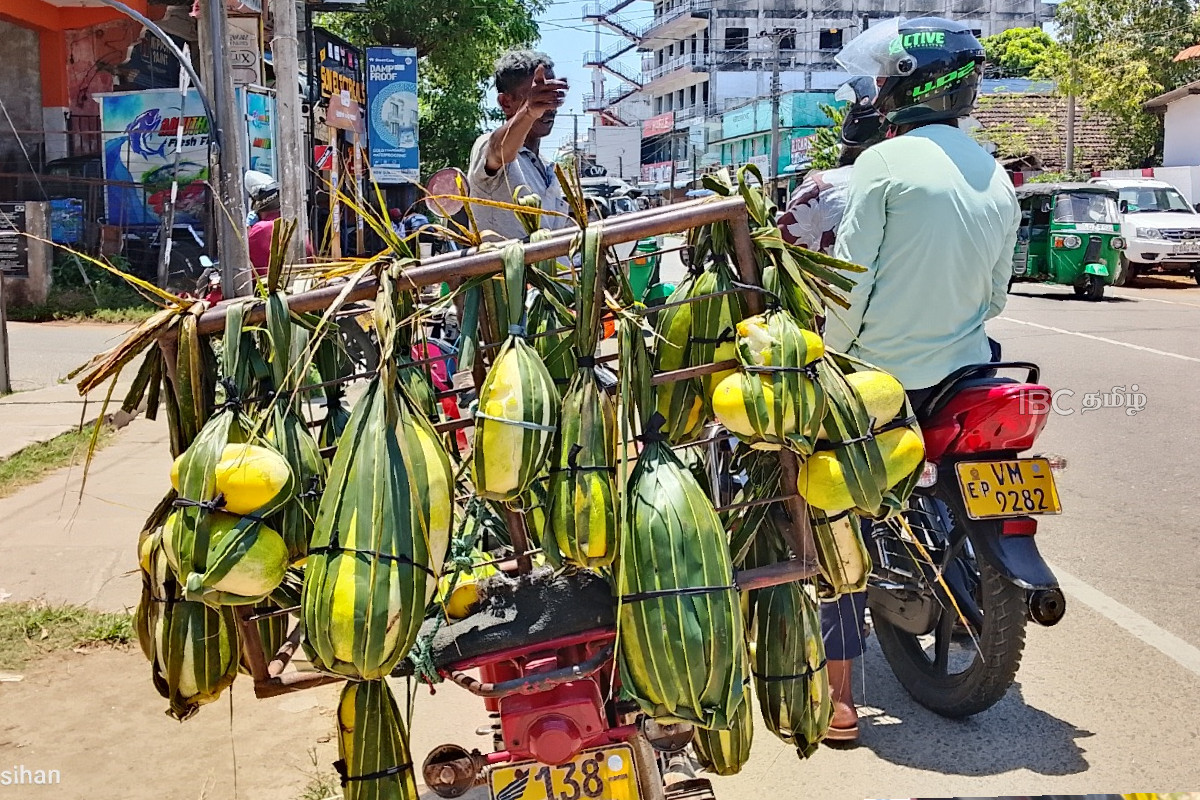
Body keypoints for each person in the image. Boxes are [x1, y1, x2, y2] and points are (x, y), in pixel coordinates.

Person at [820, 17, 1021, 743]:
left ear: (907, 84)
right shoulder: (995, 172)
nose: (877, 88)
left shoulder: (882, 165)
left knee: (826, 506)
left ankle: (839, 699)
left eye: (884, 77)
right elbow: (998, 296)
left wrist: (826, 355)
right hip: (968, 370)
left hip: (881, 379)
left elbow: (849, 287)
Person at [467, 51, 572, 241]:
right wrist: (529, 112)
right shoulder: (488, 146)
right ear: (506, 102)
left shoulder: (549, 168)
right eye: (539, 97)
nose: (549, 108)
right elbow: (498, 152)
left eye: (551, 96)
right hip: (509, 271)